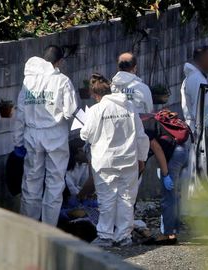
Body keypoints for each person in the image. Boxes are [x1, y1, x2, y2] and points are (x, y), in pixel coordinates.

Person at [80, 74, 149, 247]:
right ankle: (124, 236)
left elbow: (86, 134)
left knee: (106, 199)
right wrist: (142, 158)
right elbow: (141, 136)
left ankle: (105, 236)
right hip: (128, 160)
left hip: (105, 161)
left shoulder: (97, 110)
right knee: (126, 199)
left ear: (96, 95)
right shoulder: (129, 107)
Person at [14, 45, 78, 226]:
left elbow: (20, 115)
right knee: (54, 184)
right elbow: (69, 111)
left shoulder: (29, 82)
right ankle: (49, 230)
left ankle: (28, 228)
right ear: (59, 62)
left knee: (31, 182)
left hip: (32, 135)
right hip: (55, 135)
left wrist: (17, 141)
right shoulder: (62, 81)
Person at [141, 110, 189, 245]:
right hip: (182, 150)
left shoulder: (144, 127)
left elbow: (157, 149)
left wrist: (166, 174)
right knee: (174, 195)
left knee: (168, 195)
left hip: (174, 155)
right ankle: (173, 229)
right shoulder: (147, 120)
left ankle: (169, 234)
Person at [180, 45, 208, 134]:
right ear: (202, 60)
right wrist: (202, 136)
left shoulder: (196, 77)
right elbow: (198, 111)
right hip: (199, 134)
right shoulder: (197, 79)